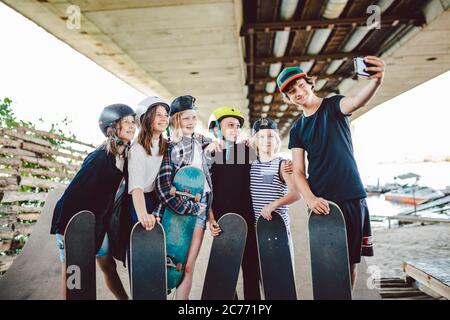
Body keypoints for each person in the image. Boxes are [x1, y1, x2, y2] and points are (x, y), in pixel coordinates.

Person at [278, 56, 385, 289]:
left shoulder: (334, 105)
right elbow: (298, 170)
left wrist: (376, 82)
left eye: (300, 85)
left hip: (351, 195)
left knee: (349, 263)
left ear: (310, 83)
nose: (298, 92)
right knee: (327, 262)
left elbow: (357, 101)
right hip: (322, 200)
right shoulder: (297, 129)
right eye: (291, 91)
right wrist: (311, 198)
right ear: (288, 98)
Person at [51, 103, 135, 300]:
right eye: (126, 122)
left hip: (97, 224)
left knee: (108, 267)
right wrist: (68, 231)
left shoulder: (124, 155)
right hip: (73, 224)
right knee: (73, 275)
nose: (132, 126)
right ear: (112, 128)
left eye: (133, 122)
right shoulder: (100, 158)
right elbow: (73, 194)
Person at [153, 95, 213, 299]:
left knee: (188, 267)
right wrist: (192, 208)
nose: (191, 122)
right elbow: (162, 189)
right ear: (176, 120)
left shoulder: (203, 143)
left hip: (201, 207)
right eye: (186, 118)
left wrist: (243, 143)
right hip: (174, 212)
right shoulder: (168, 147)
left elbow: (228, 146)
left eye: (194, 118)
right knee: (167, 266)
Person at [206, 106, 261, 299]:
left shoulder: (247, 151)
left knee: (251, 268)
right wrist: (210, 219)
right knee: (226, 270)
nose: (235, 128)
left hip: (249, 220)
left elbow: (266, 162)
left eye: (238, 125)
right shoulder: (210, 155)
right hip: (223, 221)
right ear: (216, 129)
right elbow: (208, 192)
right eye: (230, 125)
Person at [249, 117, 300, 265]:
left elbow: (295, 194)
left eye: (271, 136)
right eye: (261, 136)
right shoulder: (250, 165)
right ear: (255, 141)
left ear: (277, 139)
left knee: (282, 274)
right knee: (263, 277)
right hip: (257, 229)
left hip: (278, 228)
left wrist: (273, 205)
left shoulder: (282, 164)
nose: (267, 140)